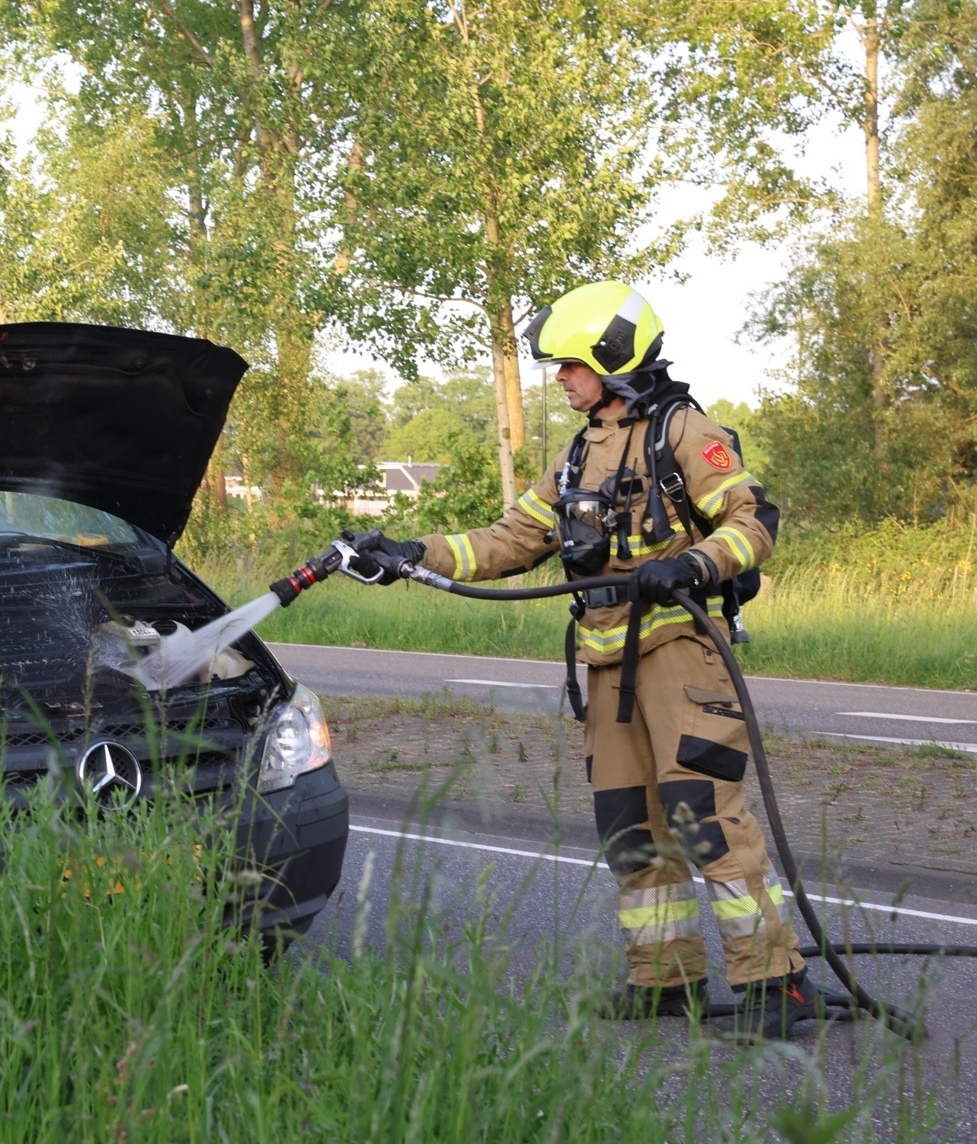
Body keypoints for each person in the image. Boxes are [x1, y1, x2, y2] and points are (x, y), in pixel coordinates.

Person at [349, 280, 816, 1038]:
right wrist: (411, 553)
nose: (561, 378)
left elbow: (752, 517)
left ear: (612, 356)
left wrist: (694, 564)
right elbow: (508, 541)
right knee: (631, 830)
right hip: (608, 669)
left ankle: (773, 982)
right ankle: (665, 981)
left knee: (705, 821)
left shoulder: (682, 431)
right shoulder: (575, 455)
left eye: (570, 365)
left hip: (681, 656)